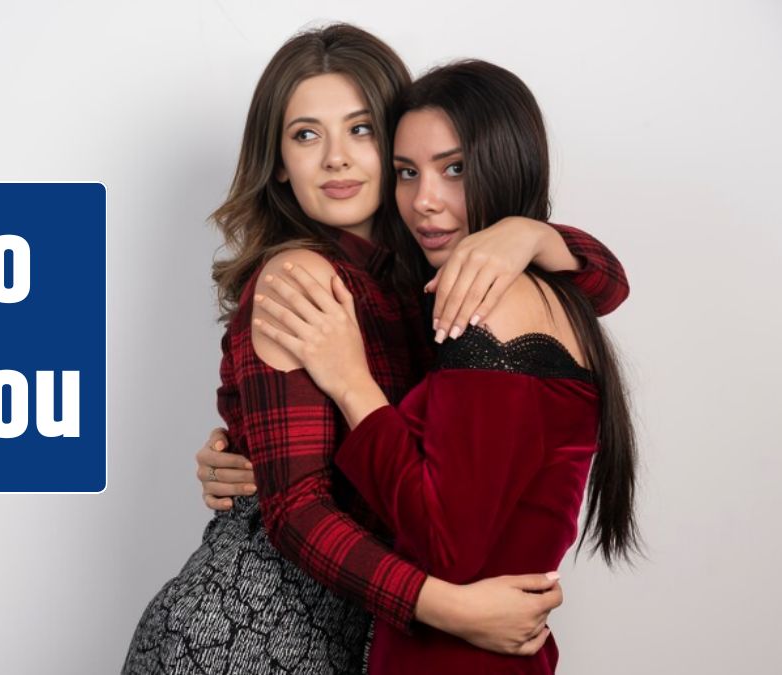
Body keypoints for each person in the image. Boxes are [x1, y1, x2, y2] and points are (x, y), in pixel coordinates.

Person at [123, 25, 628, 675]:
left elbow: (605, 287)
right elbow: (297, 510)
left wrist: (528, 236)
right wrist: (447, 606)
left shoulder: (427, 268)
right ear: (278, 161)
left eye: (360, 130)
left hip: (355, 633)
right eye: (306, 135)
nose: (336, 158)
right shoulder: (300, 278)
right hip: (251, 636)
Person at [250, 59, 640, 673]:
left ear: (505, 163)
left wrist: (529, 233)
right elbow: (297, 502)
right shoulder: (414, 285)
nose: (425, 201)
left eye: (454, 169)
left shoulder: (490, 297)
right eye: (409, 172)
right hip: (341, 632)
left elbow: (444, 542)